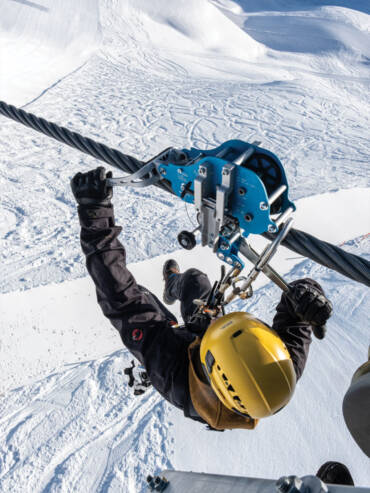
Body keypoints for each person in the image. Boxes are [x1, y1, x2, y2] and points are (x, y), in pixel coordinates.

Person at [71, 167, 333, 430]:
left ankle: (158, 353)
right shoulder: (277, 372)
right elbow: (295, 313)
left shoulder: (171, 371)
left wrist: (95, 212)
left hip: (179, 358)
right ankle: (174, 284)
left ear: (208, 365)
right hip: (210, 355)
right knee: (195, 280)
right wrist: (308, 299)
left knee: (141, 300)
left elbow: (120, 297)